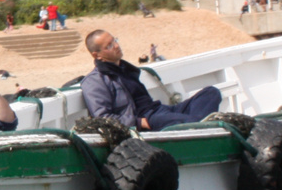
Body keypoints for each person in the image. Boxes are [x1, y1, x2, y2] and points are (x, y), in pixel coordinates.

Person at [79, 30, 222, 131]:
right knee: (189, 121)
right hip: (146, 119)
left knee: (211, 93)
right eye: (109, 46)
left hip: (159, 110)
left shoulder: (126, 69)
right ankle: (197, 125)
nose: (116, 46)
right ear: (97, 55)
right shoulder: (94, 81)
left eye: (114, 40)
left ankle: (197, 125)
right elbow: (103, 118)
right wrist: (139, 122)